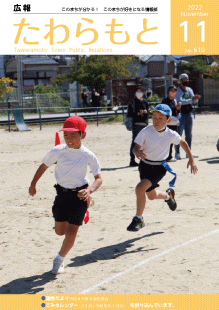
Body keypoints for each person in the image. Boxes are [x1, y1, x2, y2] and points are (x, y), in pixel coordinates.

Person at [29, 116, 102, 274]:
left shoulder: (88, 155)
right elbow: (43, 167)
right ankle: (73, 218)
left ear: (83, 135)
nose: (69, 139)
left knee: (71, 231)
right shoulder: (58, 151)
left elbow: (99, 179)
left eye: (73, 135)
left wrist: (89, 191)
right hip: (61, 195)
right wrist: (33, 184)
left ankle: (59, 259)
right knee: (59, 231)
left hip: (80, 196)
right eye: (66, 135)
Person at [127, 104, 198, 232]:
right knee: (151, 195)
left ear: (168, 120)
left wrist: (191, 158)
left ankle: (139, 219)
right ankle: (168, 196)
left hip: (159, 167)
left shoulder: (171, 134)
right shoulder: (146, 131)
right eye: (154, 117)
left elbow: (183, 142)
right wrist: (137, 152)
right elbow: (135, 147)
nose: (156, 120)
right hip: (144, 166)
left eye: (160, 118)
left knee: (140, 188)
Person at [175, 73, 201, 160]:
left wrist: (195, 99)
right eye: (185, 79)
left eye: (188, 79)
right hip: (181, 115)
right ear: (180, 80)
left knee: (189, 135)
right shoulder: (177, 91)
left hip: (189, 114)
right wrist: (191, 100)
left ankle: (188, 153)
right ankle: (177, 153)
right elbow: (180, 101)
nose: (187, 81)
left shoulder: (189, 89)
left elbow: (193, 101)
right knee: (178, 135)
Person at [127, 86, 149, 167]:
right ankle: (132, 160)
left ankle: (144, 159)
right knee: (135, 142)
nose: (138, 93)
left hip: (144, 124)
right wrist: (138, 113)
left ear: (143, 93)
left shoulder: (145, 102)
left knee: (145, 142)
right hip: (136, 124)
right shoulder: (132, 102)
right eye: (137, 91)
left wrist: (145, 112)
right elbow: (130, 113)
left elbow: (148, 113)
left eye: (140, 91)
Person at [161, 85, 181, 162]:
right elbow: (163, 110)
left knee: (171, 139)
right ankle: (165, 156)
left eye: (174, 91)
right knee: (165, 140)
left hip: (173, 122)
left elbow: (176, 112)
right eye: (171, 91)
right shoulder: (165, 101)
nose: (173, 92)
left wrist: (178, 109)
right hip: (167, 123)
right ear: (168, 92)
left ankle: (169, 156)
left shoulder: (175, 101)